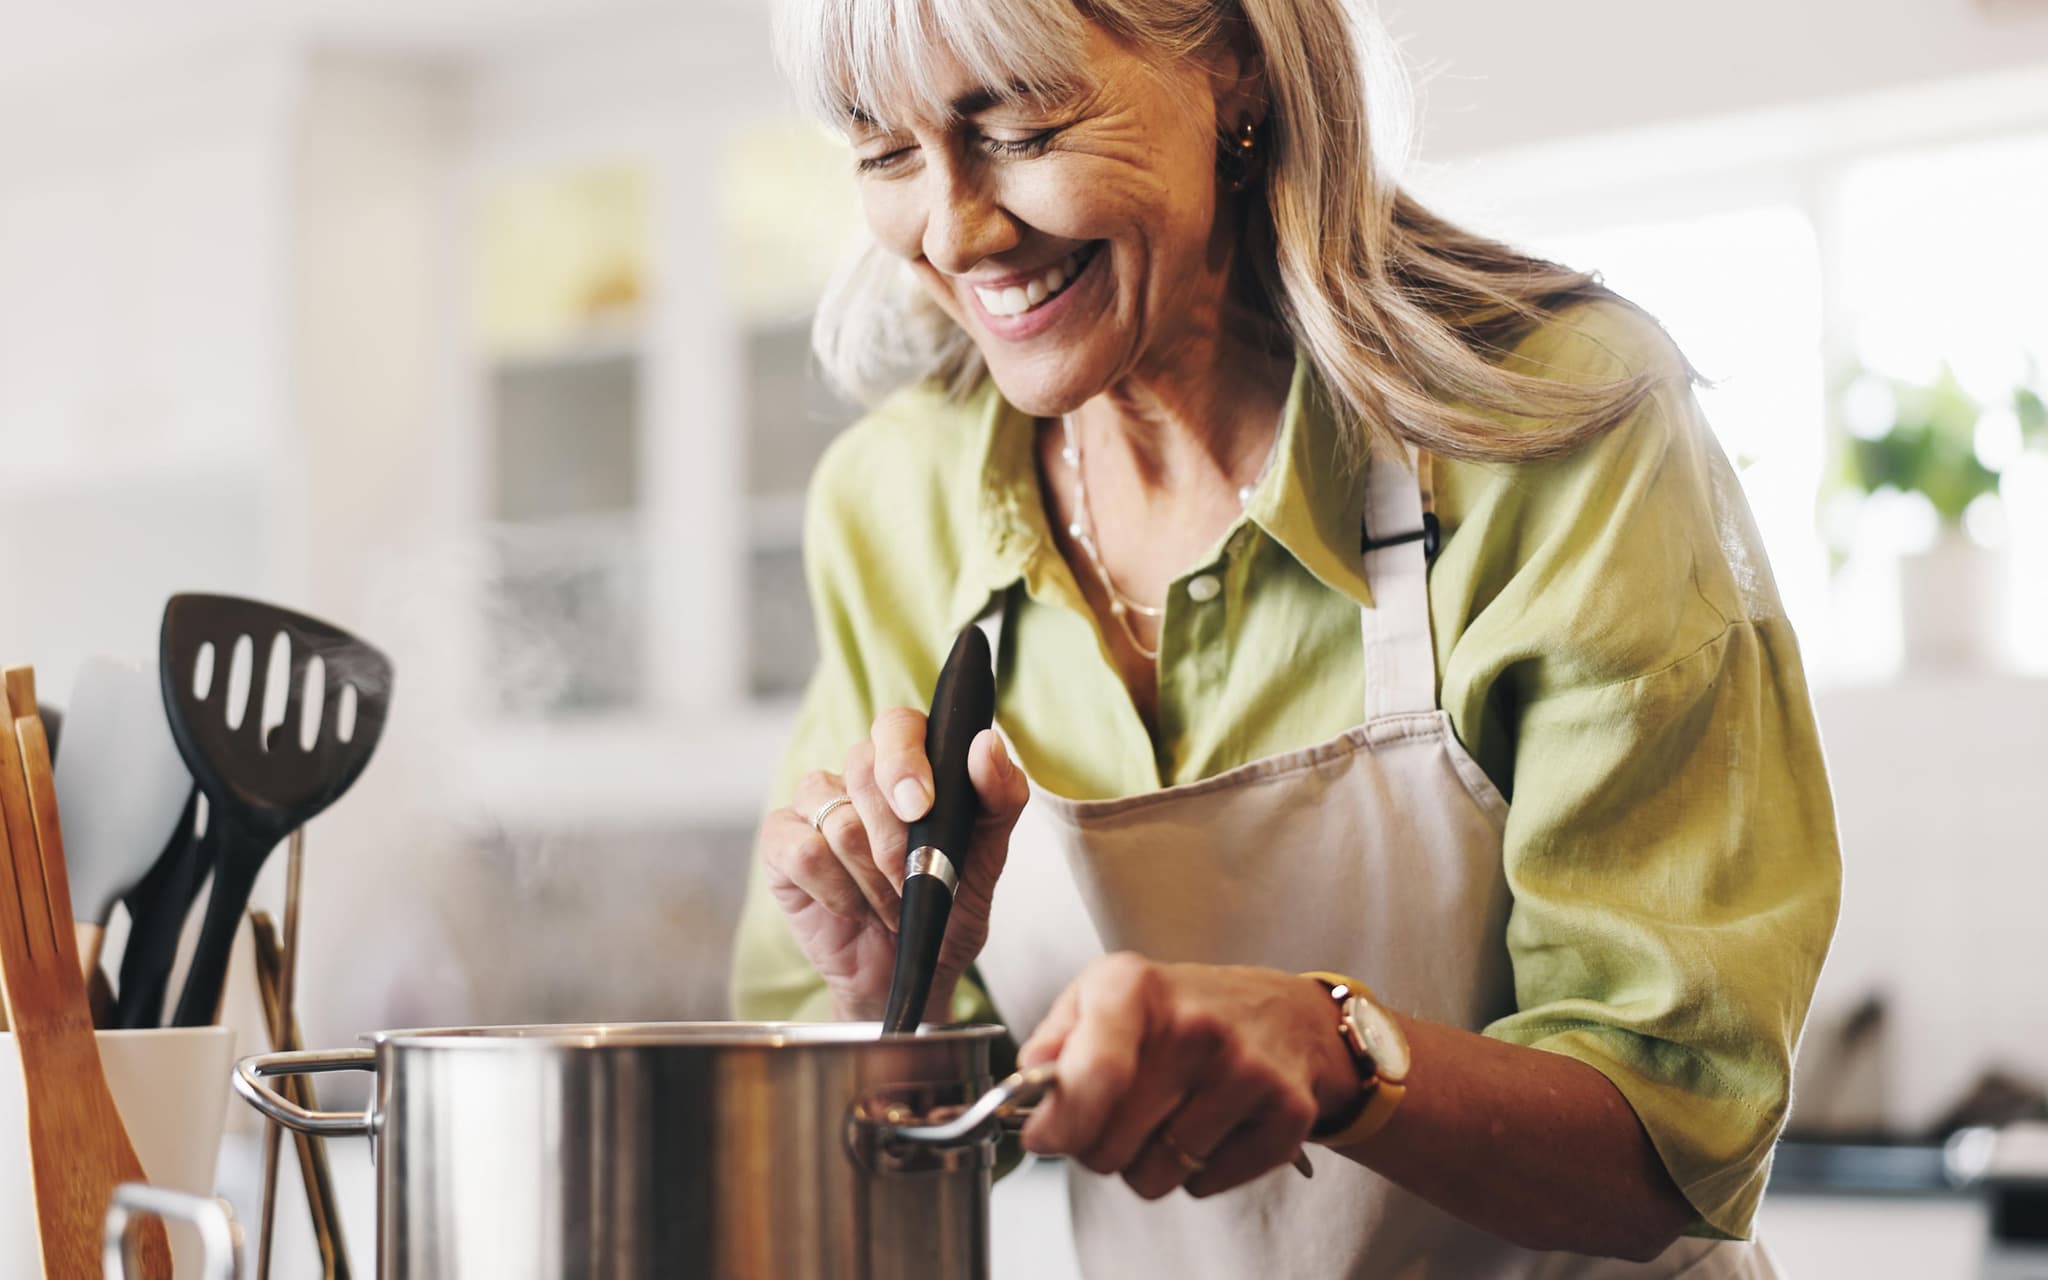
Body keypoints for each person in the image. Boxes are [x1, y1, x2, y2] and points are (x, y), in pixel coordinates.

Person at [729, 0, 1842, 1273]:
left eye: (1024, 125)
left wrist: (1336, 1046)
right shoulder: (893, 501)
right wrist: (898, 1004)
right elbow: (855, 1142)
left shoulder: (1560, 424)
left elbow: (1673, 1136)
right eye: (883, 154)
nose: (953, 229)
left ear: (1236, 72)